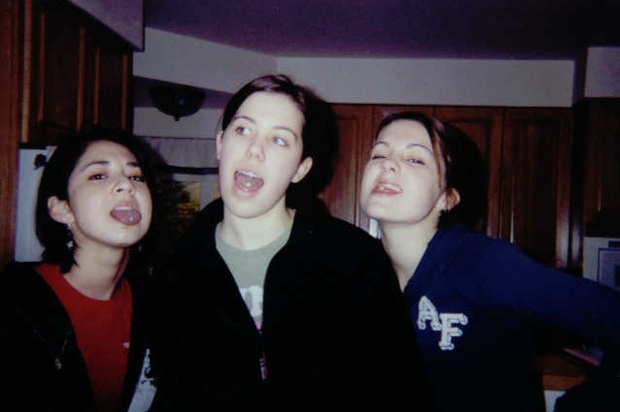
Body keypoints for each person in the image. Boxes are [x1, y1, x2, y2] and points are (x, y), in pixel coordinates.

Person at [150, 75, 434, 411]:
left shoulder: (354, 259)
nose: (255, 149)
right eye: (243, 130)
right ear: (221, 144)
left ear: (300, 169)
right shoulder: (174, 270)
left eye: (279, 140)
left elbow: (401, 391)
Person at [358, 111, 620, 412]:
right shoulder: (361, 271)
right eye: (379, 154)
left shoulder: (482, 262)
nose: (388, 164)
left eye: (415, 159)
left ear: (447, 197)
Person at [0, 128, 159, 411]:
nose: (127, 184)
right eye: (98, 175)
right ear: (62, 209)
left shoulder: (157, 307)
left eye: (136, 176)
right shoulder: (1, 309)